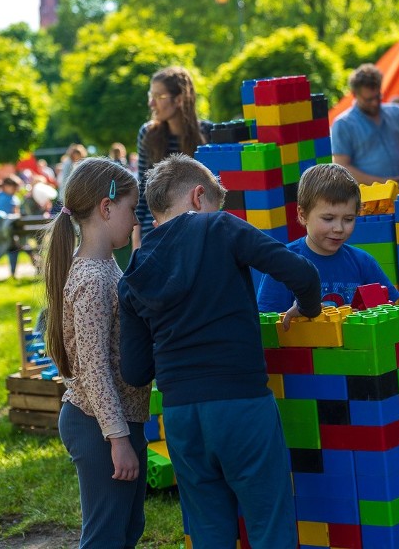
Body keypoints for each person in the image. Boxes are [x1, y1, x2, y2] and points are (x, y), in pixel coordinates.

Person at [118, 153, 322, 548]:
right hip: (241, 405)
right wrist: (307, 308)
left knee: (210, 530)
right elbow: (302, 273)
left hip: (180, 416)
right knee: (269, 524)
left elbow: (136, 371)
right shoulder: (221, 227)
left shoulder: (135, 271)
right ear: (199, 197)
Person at [42, 158, 150, 548]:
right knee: (105, 536)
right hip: (99, 426)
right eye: (131, 209)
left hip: (119, 420)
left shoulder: (106, 267)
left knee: (127, 530)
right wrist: (118, 439)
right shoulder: (91, 277)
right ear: (106, 209)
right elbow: (94, 369)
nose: (136, 221)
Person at [257, 163, 399, 312]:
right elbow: (268, 324)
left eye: (348, 219)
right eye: (328, 218)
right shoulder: (282, 264)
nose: (339, 228)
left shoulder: (364, 263)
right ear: (303, 214)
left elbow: (390, 314)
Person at [134, 66, 213, 248]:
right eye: (150, 96)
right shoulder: (147, 134)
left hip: (197, 229)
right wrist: (136, 243)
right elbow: (143, 190)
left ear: (179, 99)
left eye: (158, 97)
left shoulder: (208, 133)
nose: (151, 104)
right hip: (155, 232)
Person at [331, 64, 399, 187]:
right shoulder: (343, 124)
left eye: (378, 96)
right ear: (355, 95)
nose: (374, 103)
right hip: (372, 201)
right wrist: (384, 184)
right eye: (368, 99)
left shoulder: (398, 113)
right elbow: (342, 168)